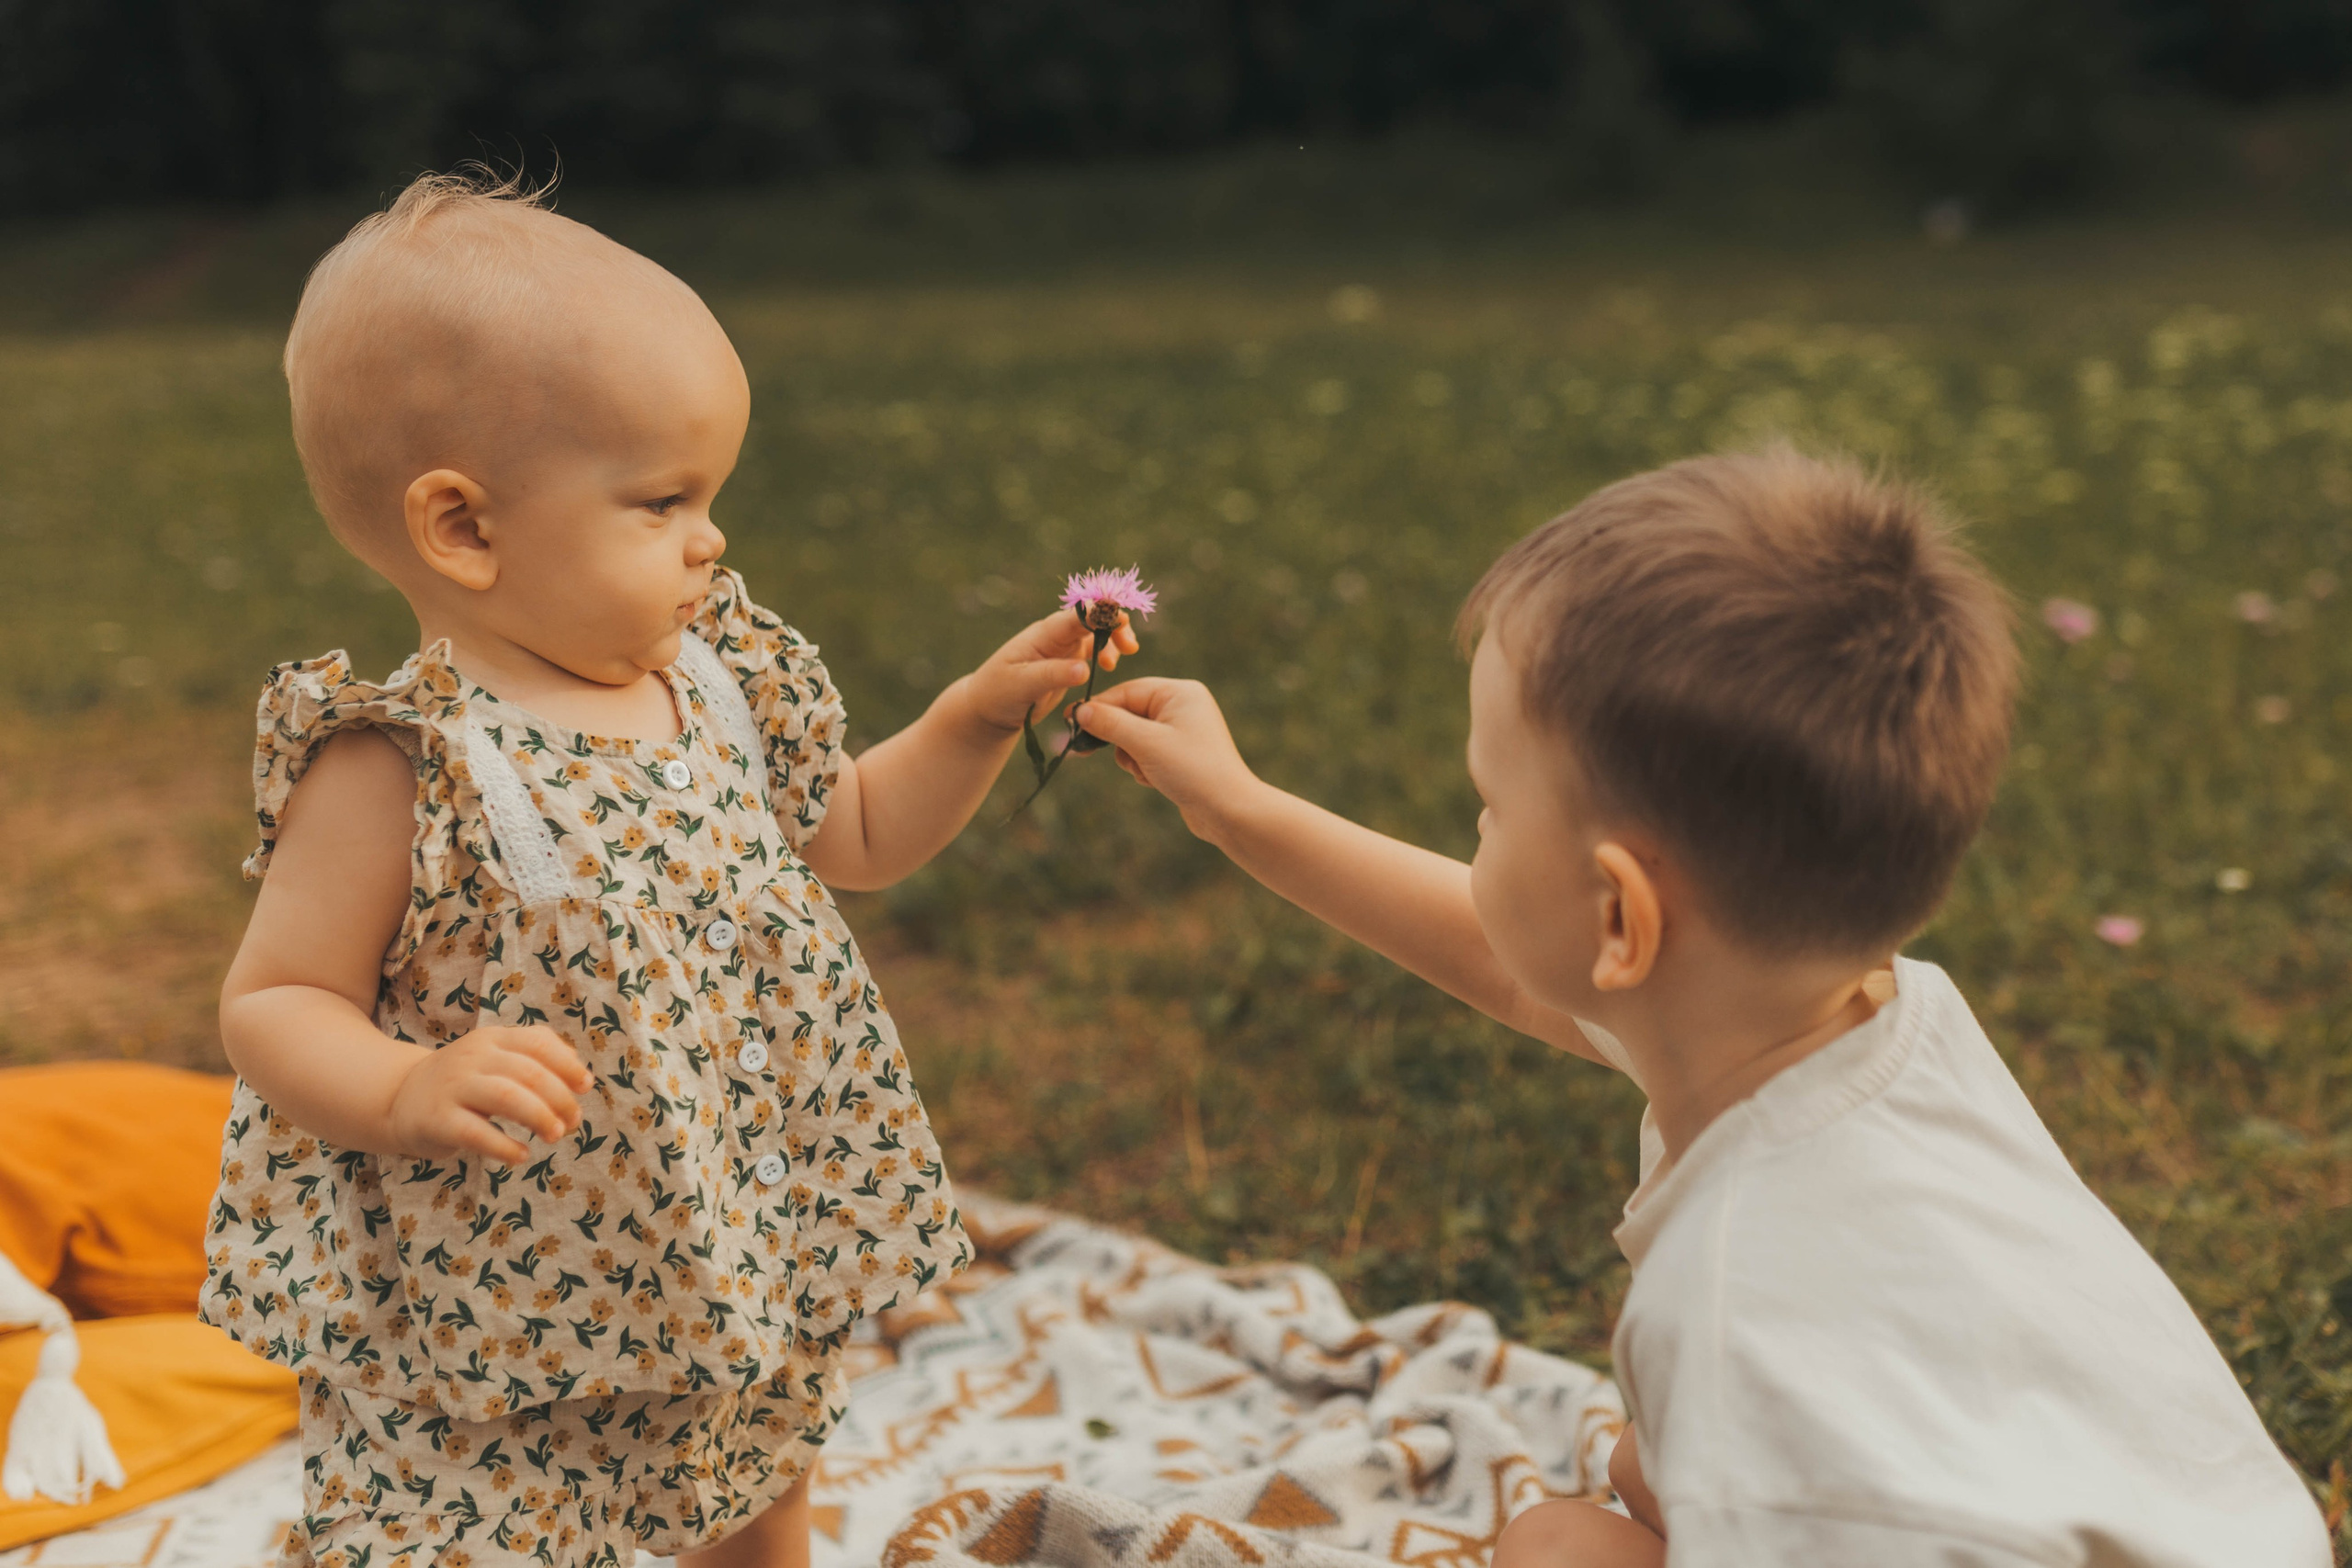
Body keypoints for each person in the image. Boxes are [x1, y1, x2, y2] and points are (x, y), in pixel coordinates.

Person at [1073, 449, 2331, 1565]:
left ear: (1620, 921)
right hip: (2202, 1529)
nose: (1477, 828)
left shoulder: (1742, 1313)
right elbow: (1510, 961)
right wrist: (1237, 806)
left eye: (1493, 805)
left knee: (1562, 1545)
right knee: (1636, 1475)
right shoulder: (1877, 1025)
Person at [198, 168, 1136, 1568]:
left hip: (732, 1228)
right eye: (660, 502)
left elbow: (863, 834)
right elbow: (271, 1002)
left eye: (712, 496)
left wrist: (976, 714)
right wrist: (403, 1086)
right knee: (477, 1528)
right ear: (463, 527)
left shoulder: (720, 681)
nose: (709, 538)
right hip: (498, 1290)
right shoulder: (402, 763)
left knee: (759, 1471)